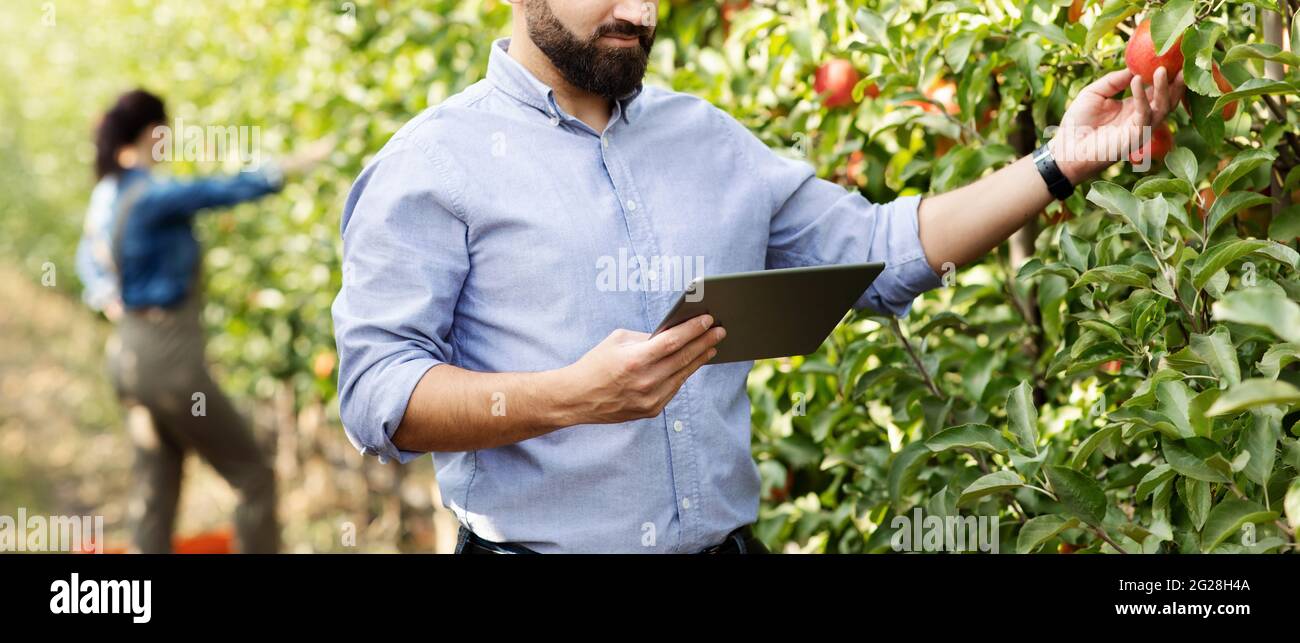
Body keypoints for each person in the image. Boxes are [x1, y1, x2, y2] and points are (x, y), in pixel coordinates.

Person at [331, 0, 1184, 553]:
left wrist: (1060, 163)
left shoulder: (707, 138)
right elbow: (379, 396)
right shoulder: (433, 164)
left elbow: (879, 254)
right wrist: (574, 396)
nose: (637, 13)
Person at [77, 89, 329, 553]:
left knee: (156, 489)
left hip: (129, 352)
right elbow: (216, 190)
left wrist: (112, 297)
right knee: (253, 475)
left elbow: (87, 264)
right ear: (155, 132)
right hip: (169, 358)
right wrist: (289, 168)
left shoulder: (107, 194)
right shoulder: (150, 194)